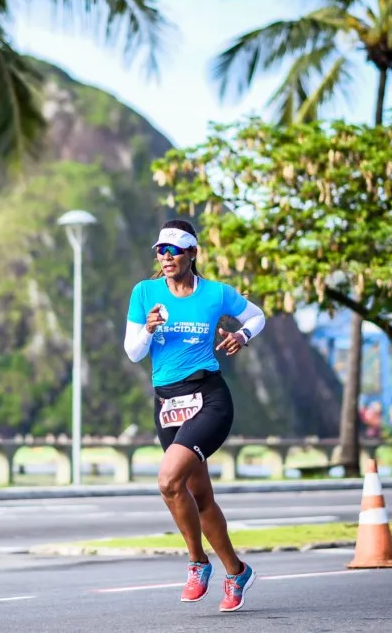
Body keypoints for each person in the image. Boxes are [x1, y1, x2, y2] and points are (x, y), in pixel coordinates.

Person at [123, 219, 266, 613]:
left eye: (174, 250)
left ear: (192, 253)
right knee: (200, 498)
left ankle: (197, 562)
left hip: (208, 398)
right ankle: (237, 572)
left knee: (169, 481)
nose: (165, 257)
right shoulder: (145, 292)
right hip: (167, 403)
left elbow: (257, 316)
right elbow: (134, 352)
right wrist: (149, 329)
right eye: (160, 251)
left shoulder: (216, 294)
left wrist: (242, 335)